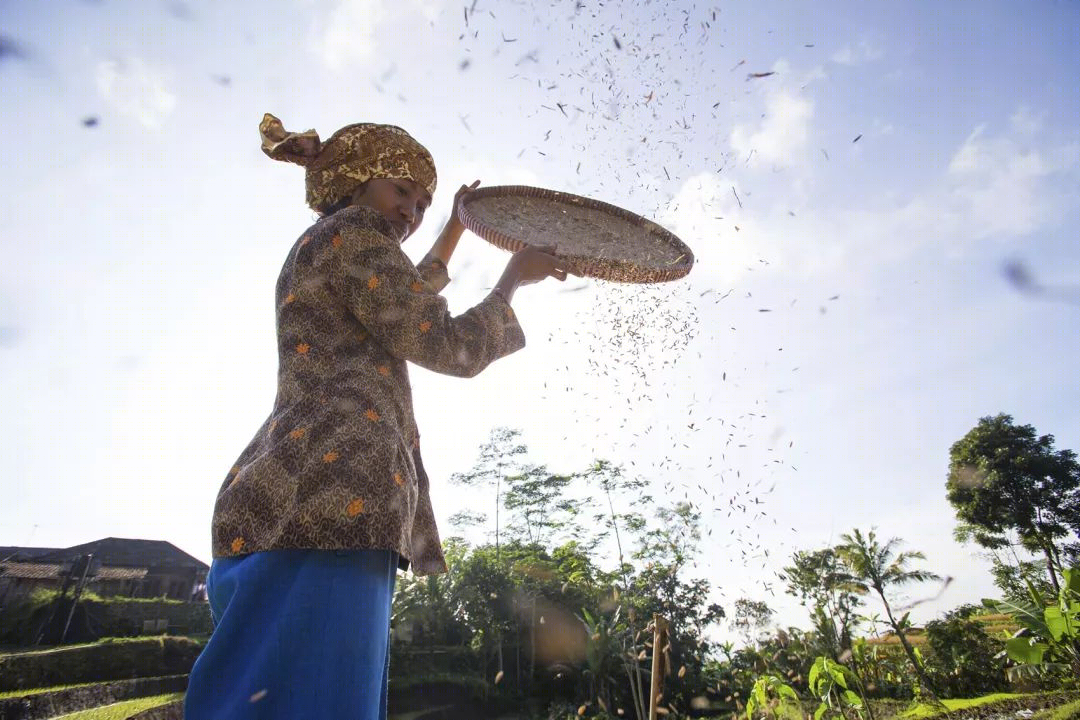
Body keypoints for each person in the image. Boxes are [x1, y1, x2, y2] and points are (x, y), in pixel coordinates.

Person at [184, 114, 570, 719]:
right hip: (334, 507)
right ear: (361, 181)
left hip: (284, 504)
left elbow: (407, 296)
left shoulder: (336, 244)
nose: (411, 212)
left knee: (256, 698)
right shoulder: (356, 236)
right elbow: (443, 340)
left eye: (422, 203)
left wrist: (454, 228)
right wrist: (512, 282)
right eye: (402, 192)